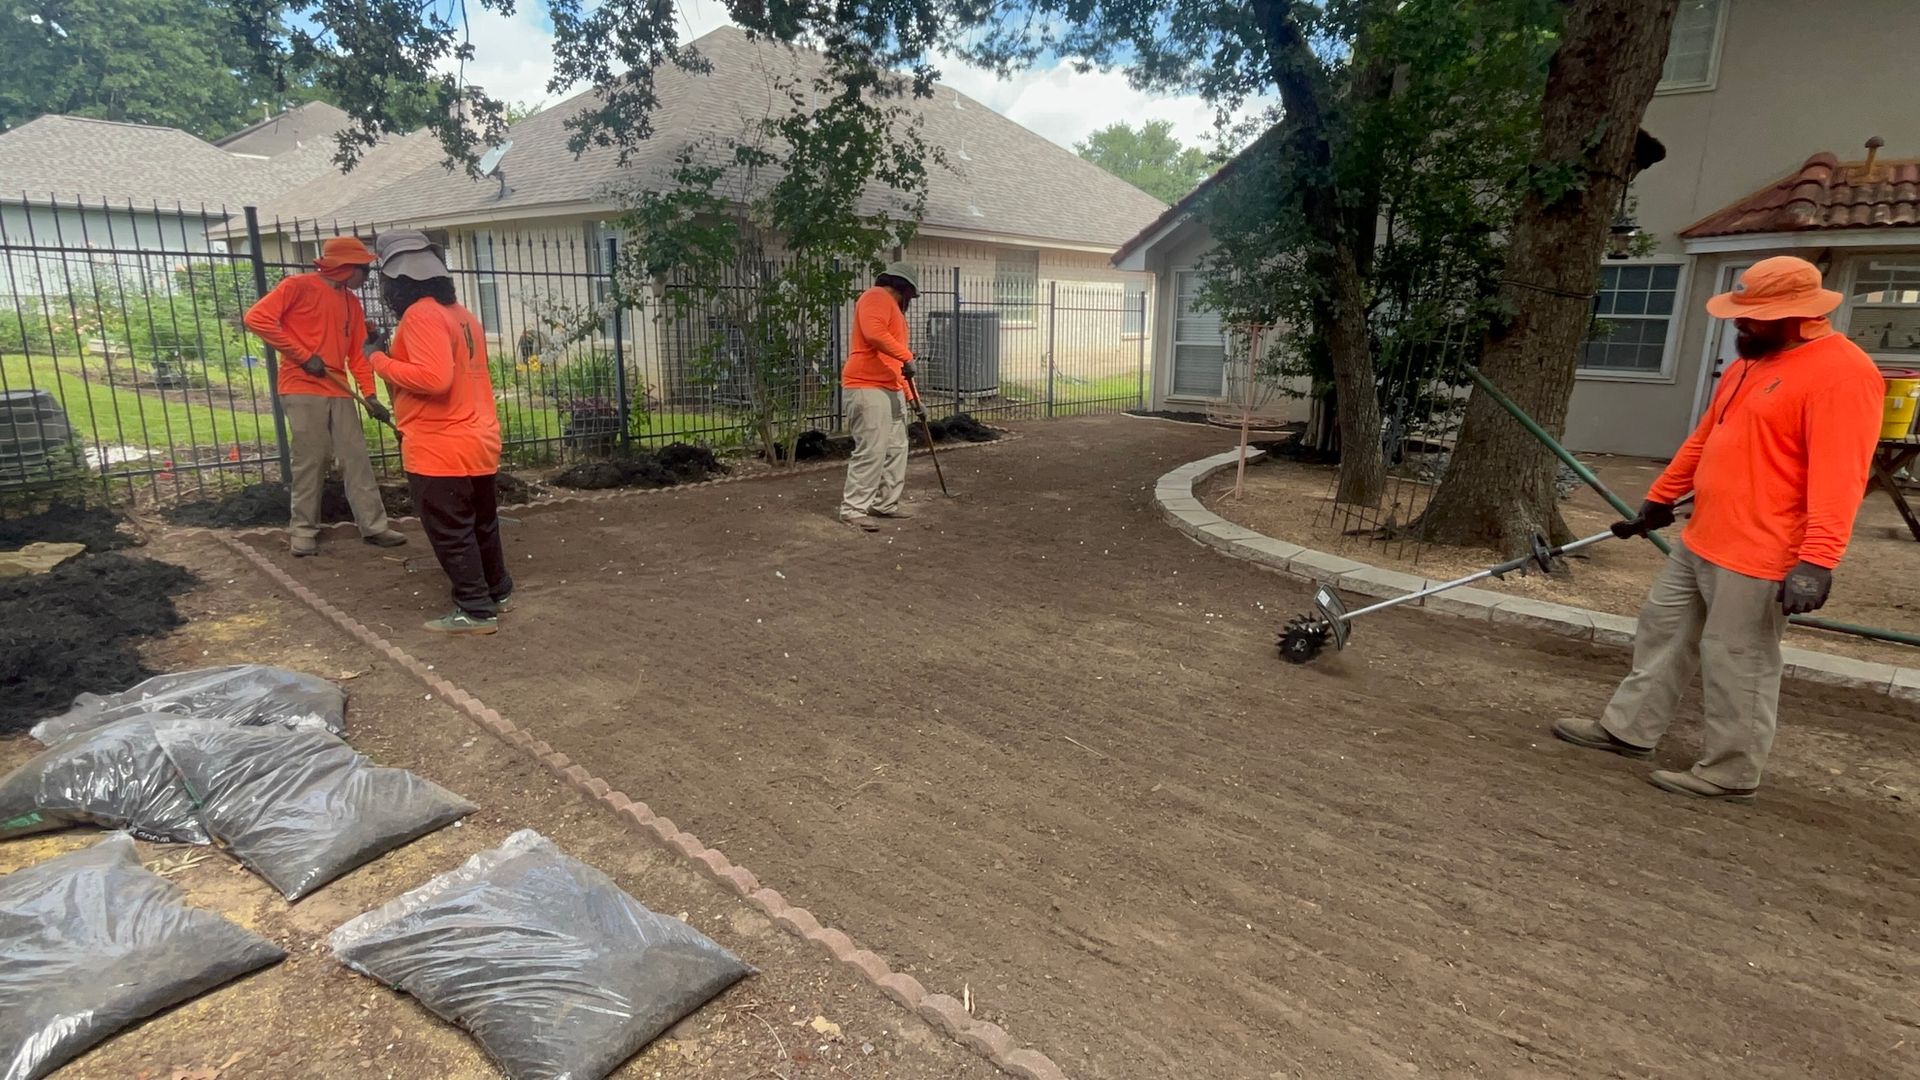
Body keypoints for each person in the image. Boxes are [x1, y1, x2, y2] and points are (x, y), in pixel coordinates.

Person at [1552, 256, 1884, 802]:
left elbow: (1841, 476)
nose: (1739, 324)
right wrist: (1658, 500)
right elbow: (1708, 437)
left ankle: (1731, 770)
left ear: (1796, 316)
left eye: (1753, 315)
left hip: (1764, 550)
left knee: (1738, 658)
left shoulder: (1843, 377)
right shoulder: (1749, 363)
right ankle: (1629, 730)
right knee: (1663, 633)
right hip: (1703, 535)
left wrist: (1818, 560)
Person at [366, 230, 512, 635]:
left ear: (395, 282)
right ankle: (497, 591)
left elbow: (434, 378)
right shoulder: (462, 315)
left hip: (439, 445)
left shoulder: (421, 315)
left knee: (451, 531)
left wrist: (376, 357)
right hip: (478, 440)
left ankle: (475, 610)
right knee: (482, 523)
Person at [244, 236, 407, 556]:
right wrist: (303, 356)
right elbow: (256, 318)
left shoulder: (351, 303)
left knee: (355, 458)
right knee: (311, 459)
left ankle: (374, 526)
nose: (368, 277)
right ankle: (303, 531)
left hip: (338, 389)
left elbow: (359, 355)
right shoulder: (298, 287)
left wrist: (371, 396)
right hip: (301, 387)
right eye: (365, 269)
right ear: (347, 268)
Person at [839, 262, 920, 531]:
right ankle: (853, 509)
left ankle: (885, 503)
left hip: (890, 387)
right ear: (904, 289)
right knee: (872, 449)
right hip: (866, 385)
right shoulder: (875, 296)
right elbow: (875, 335)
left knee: (897, 447)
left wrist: (912, 398)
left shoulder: (895, 312)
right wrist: (907, 355)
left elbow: (896, 363)